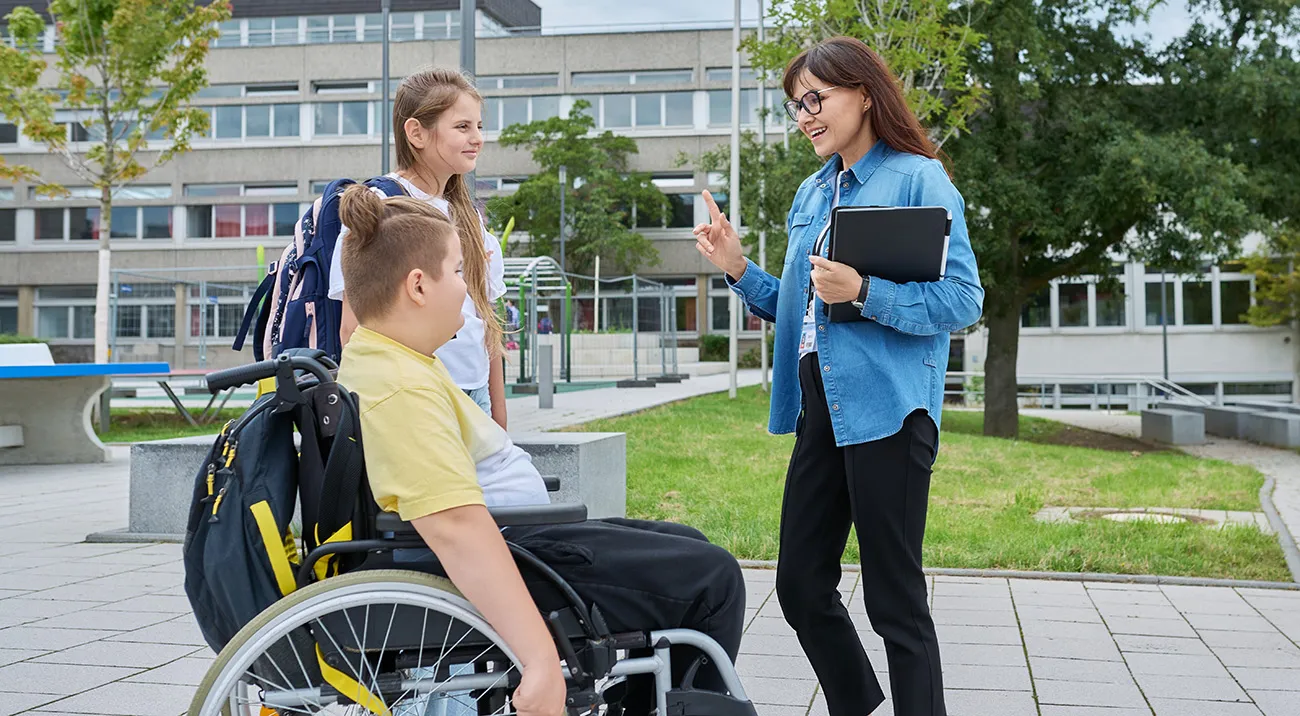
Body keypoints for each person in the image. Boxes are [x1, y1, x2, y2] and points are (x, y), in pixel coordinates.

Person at [333, 185, 746, 716]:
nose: (467, 288)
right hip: (508, 551)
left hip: (516, 540)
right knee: (712, 578)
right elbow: (455, 529)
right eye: (458, 272)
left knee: (687, 544)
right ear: (418, 286)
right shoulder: (401, 385)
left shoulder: (392, 359)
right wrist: (540, 661)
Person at [694, 37, 984, 716]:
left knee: (894, 600)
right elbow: (799, 307)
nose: (806, 116)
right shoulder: (812, 191)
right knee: (798, 583)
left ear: (862, 92)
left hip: (890, 406)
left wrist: (865, 290)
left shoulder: (917, 178)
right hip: (820, 405)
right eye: (797, 106)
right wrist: (739, 268)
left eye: (817, 100)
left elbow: (964, 302)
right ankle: (858, 703)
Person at [329, 67, 508, 429]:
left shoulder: (470, 217)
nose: (477, 138)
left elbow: (486, 326)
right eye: (462, 127)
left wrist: (499, 419)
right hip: (411, 395)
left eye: (478, 126)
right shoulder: (380, 206)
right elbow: (352, 329)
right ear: (416, 133)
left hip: (474, 396)